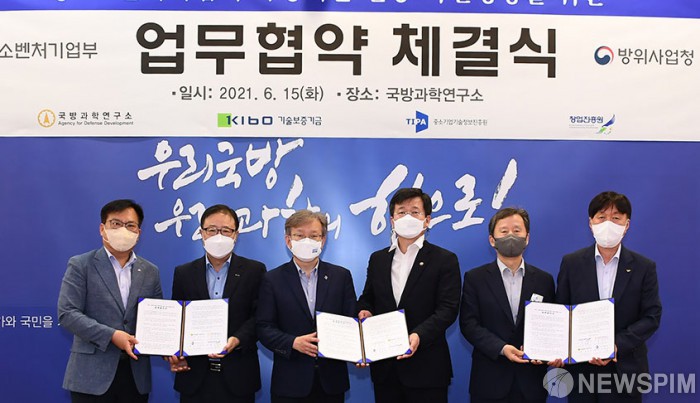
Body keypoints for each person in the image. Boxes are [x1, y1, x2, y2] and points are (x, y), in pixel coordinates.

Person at [356, 187, 461, 403]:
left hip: (427, 368)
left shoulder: (444, 259)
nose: (408, 217)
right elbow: (368, 298)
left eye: (415, 212)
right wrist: (364, 311)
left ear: (427, 220)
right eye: (401, 212)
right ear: (392, 220)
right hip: (385, 368)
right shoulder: (378, 259)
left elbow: (448, 309)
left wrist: (418, 335)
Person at [556, 191, 662, 402]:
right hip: (581, 373)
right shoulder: (571, 263)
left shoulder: (644, 267)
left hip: (625, 371)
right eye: (601, 217)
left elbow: (651, 316)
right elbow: (562, 312)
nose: (608, 224)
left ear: (627, 224)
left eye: (616, 218)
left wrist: (615, 345)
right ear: (590, 222)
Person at [58, 199, 163, 402]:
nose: (123, 230)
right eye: (115, 223)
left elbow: (157, 319)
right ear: (102, 229)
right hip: (90, 378)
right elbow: (67, 313)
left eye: (130, 225)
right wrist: (112, 335)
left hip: (135, 376)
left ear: (138, 232)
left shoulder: (150, 271)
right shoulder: (81, 265)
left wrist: (170, 348)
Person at [167, 204, 266, 403]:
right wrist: (174, 352)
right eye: (212, 230)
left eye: (226, 230)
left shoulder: (254, 270)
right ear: (202, 233)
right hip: (194, 374)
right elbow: (177, 319)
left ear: (236, 234)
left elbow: (260, 317)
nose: (218, 236)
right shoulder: (184, 272)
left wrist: (237, 339)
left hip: (239, 375)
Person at [257, 210, 357, 403]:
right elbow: (263, 327)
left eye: (313, 236)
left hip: (331, 383)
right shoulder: (272, 279)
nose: (307, 241)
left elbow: (350, 321)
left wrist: (359, 350)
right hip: (289, 383)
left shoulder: (341, 276)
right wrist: (292, 342)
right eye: (299, 235)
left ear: (323, 240)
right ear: (288, 240)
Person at [460, 207, 556, 403]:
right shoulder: (475, 278)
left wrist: (547, 352)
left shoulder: (544, 280)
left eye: (517, 230)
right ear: (492, 240)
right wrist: (502, 348)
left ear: (527, 238)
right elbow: (469, 324)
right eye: (504, 231)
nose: (511, 236)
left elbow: (553, 325)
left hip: (531, 382)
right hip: (489, 381)